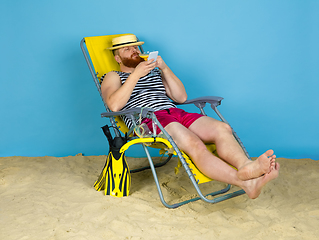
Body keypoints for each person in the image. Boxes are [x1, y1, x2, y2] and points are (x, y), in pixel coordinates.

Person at [101, 34, 280, 199]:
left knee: (223, 128)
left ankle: (246, 167)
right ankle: (245, 183)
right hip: (149, 120)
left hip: (176, 113)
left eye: (136, 48)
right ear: (117, 58)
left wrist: (164, 68)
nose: (134, 51)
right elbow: (114, 105)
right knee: (193, 143)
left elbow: (181, 97)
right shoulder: (113, 76)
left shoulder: (154, 73)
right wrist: (136, 75)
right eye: (127, 49)